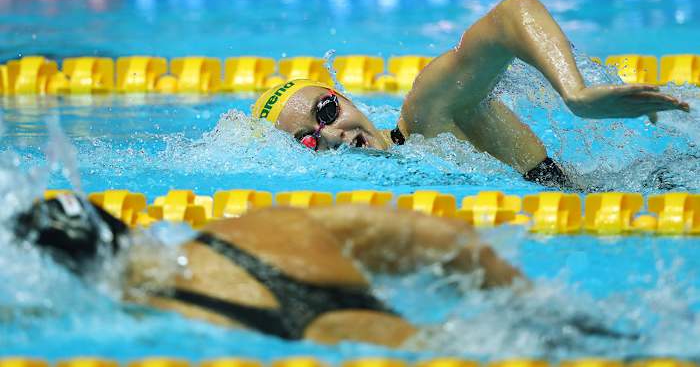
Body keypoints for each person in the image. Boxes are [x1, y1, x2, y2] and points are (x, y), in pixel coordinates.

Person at [251, 0, 690, 188]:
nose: (330, 135)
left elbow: (512, 14)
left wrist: (575, 95)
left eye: (326, 113)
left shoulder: (427, 118)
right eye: (308, 140)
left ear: (342, 97)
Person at [13, 193, 522, 348]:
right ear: (124, 226)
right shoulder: (262, 233)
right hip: (490, 346)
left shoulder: (139, 325)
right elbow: (446, 241)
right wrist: (524, 302)